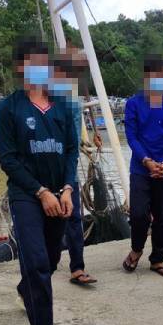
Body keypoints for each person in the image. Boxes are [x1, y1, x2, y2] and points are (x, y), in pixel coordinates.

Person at [0, 38, 78, 325]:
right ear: (21, 68)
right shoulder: (8, 109)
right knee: (37, 263)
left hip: (61, 192)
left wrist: (68, 189)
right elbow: (9, 160)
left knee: (52, 257)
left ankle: (23, 288)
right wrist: (41, 192)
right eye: (33, 62)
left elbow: (71, 150)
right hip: (26, 195)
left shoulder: (63, 106)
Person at [122, 54, 163, 277]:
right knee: (139, 214)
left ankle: (157, 259)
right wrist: (147, 161)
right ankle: (136, 249)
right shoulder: (133, 103)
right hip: (141, 168)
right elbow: (132, 137)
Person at [50, 50, 98, 287]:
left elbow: (74, 133)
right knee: (53, 221)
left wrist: (86, 141)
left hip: (67, 166)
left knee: (74, 217)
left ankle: (77, 267)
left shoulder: (73, 97)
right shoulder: (46, 94)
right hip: (46, 167)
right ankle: (45, 267)